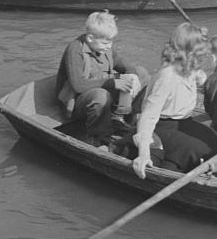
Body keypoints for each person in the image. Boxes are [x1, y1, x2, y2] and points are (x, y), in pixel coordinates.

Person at [132, 23, 217, 178]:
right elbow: (148, 117)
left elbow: (205, 83)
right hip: (161, 126)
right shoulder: (167, 76)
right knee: (198, 149)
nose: (204, 54)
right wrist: (143, 153)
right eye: (200, 50)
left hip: (185, 122)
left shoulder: (192, 68)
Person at [56, 11, 148, 148]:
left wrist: (132, 75)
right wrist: (113, 82)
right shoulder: (75, 49)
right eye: (105, 42)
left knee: (142, 73)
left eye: (111, 41)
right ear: (90, 38)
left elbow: (125, 66)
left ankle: (123, 119)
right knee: (100, 95)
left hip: (102, 87)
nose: (109, 46)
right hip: (79, 100)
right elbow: (78, 85)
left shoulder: (104, 47)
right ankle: (100, 137)